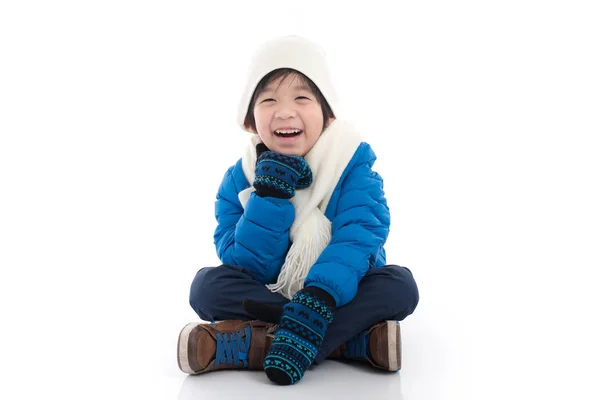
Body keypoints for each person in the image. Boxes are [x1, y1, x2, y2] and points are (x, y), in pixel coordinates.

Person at [177, 35, 419, 385]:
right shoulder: (240, 179)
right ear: (249, 121)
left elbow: (358, 238)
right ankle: (349, 343)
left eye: (302, 98)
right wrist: (270, 197)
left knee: (399, 285)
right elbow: (245, 264)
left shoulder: (352, 164)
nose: (285, 111)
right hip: (270, 287)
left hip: (337, 293)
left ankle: (259, 342)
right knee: (205, 287)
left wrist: (319, 296)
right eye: (269, 99)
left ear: (327, 115)